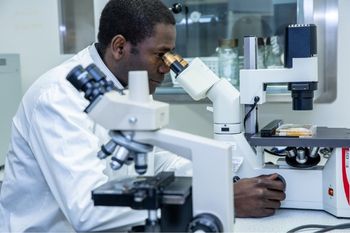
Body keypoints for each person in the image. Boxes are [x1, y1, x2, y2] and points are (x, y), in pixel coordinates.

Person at [0, 0, 286, 231]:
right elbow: (86, 211)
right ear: (120, 47)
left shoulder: (128, 83)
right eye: (160, 55)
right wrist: (220, 200)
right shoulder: (58, 98)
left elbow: (156, 158)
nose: (166, 68)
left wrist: (228, 173)